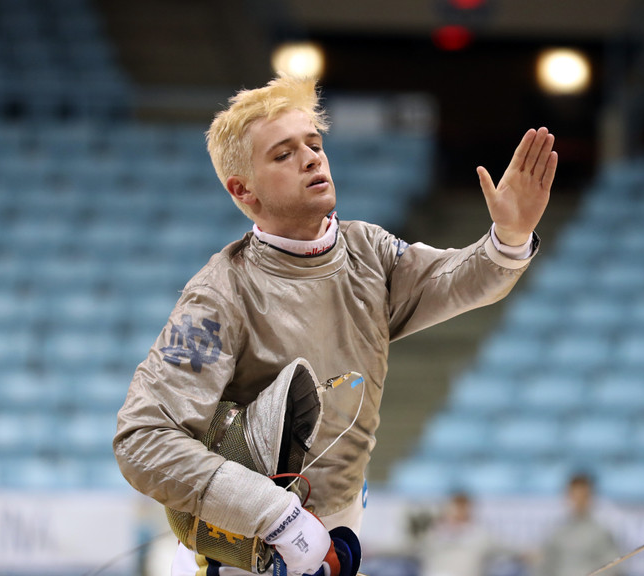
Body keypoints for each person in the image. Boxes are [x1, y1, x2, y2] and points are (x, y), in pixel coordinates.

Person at [113, 74, 557, 576]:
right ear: (244, 190)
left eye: (314, 144)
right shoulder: (221, 295)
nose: (310, 158)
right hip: (245, 552)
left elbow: (460, 280)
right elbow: (142, 439)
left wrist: (511, 234)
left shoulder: (368, 251)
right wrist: (276, 515)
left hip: (337, 542)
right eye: (283, 155)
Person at [536, 473, 622, 576]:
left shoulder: (602, 533)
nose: (579, 501)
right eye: (575, 495)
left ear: (590, 497)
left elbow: (614, 567)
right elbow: (545, 565)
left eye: (583, 496)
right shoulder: (557, 532)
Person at [419, 492, 496, 576]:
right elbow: (419, 549)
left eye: (462, 508)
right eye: (455, 508)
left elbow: (496, 549)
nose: (457, 512)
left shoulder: (480, 534)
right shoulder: (434, 533)